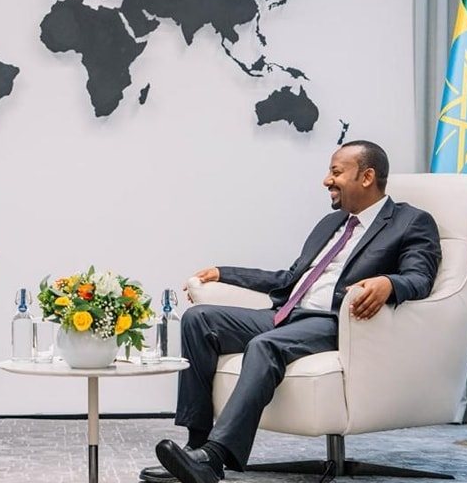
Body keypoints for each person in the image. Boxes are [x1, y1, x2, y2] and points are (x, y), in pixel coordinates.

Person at [144, 140, 442, 483]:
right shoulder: (331, 223)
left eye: (336, 172)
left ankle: (213, 458)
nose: (326, 180)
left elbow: (420, 278)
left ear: (367, 177)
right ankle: (194, 449)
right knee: (199, 319)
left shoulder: (410, 221)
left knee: (264, 345)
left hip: (336, 322)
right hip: (289, 314)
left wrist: (389, 282)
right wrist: (225, 273)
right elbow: (289, 278)